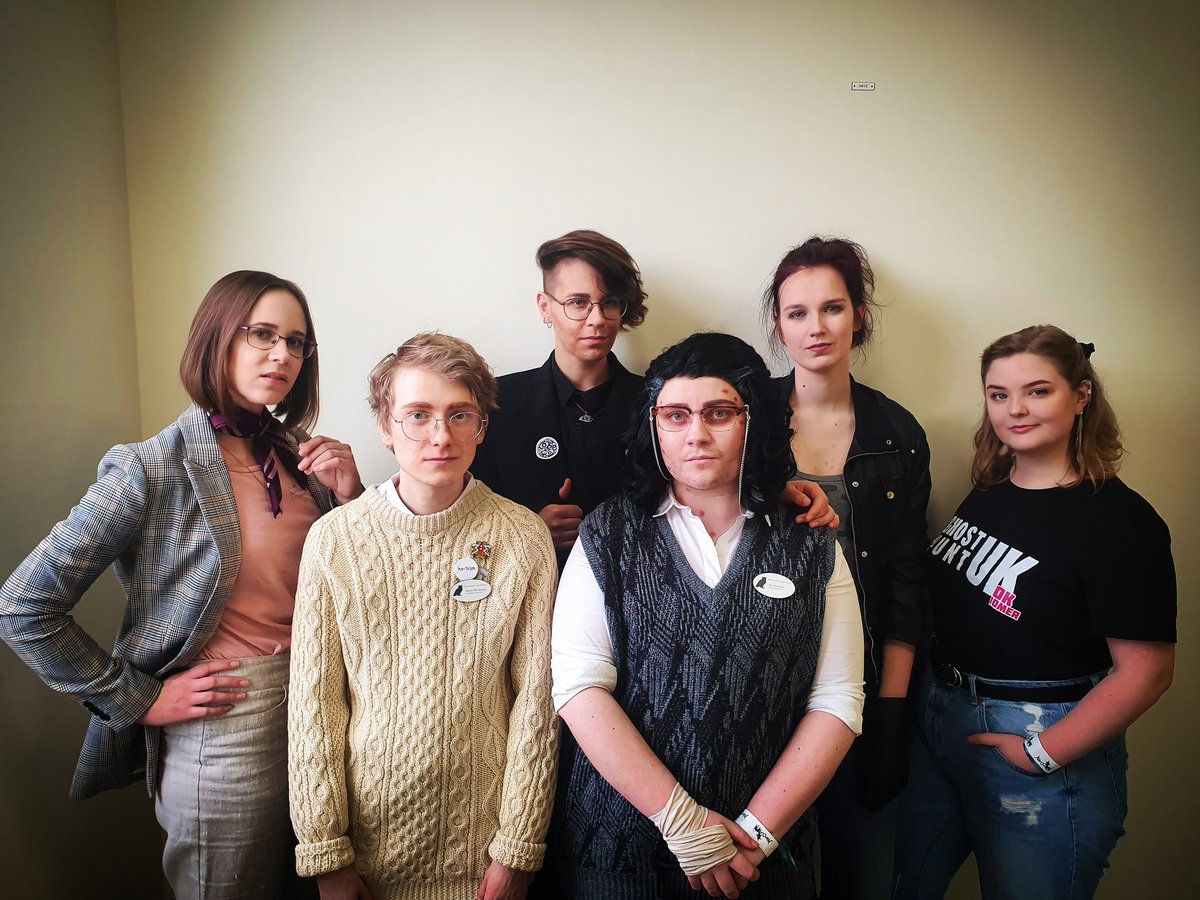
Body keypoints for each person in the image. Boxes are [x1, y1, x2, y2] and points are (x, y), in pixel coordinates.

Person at [0, 270, 364, 898]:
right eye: (262, 334)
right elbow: (24, 605)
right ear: (216, 338)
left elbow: (353, 590)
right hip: (226, 726)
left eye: (296, 342)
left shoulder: (304, 459)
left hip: (321, 710)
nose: (282, 355)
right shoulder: (150, 467)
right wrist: (140, 699)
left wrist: (352, 499)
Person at [551, 332, 866, 900]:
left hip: (765, 862)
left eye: (719, 413)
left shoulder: (811, 542)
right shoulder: (608, 534)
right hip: (622, 858)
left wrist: (755, 835)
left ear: (754, 421)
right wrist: (683, 822)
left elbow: (837, 700)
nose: (696, 433)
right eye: (675, 415)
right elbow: (578, 687)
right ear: (653, 426)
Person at [895, 325, 1176, 900]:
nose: (1015, 409)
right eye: (999, 395)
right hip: (939, 718)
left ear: (1081, 395)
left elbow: (1147, 673)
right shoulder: (991, 489)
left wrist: (1041, 754)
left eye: (1038, 391)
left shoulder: (1120, 521)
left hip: (1038, 735)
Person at [288, 332, 559, 900]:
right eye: (417, 415)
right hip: (364, 849)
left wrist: (518, 848)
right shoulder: (334, 540)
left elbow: (535, 703)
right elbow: (315, 704)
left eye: (460, 415)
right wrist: (324, 851)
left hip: (484, 848)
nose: (440, 436)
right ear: (385, 427)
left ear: (481, 426)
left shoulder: (523, 537)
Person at [761, 236, 931, 899]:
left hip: (862, 690)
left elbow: (907, 579)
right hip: (763, 690)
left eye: (832, 308)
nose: (816, 327)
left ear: (859, 315)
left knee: (863, 878)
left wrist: (890, 713)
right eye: (797, 312)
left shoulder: (897, 433)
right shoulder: (745, 421)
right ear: (779, 325)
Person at [470, 229, 648, 567]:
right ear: (545, 307)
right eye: (578, 303)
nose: (597, 320)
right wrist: (528, 531)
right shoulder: (494, 404)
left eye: (609, 303)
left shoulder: (657, 404)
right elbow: (463, 523)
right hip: (529, 588)